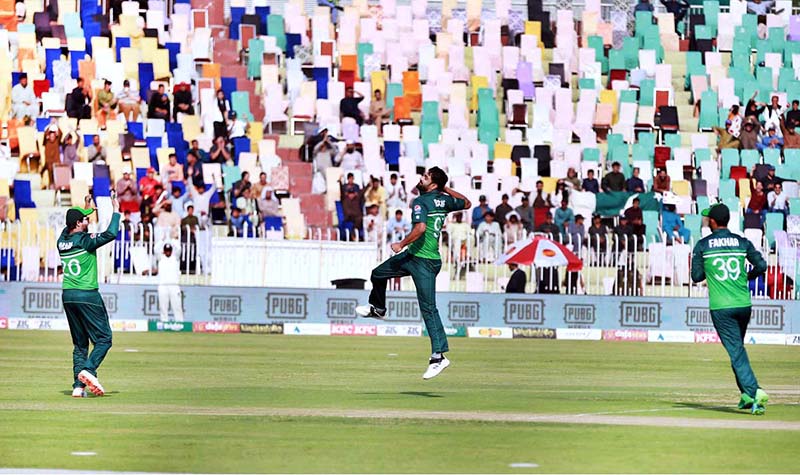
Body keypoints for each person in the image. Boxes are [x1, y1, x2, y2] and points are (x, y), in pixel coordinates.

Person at [356, 167, 471, 379]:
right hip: (414, 257)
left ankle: (439, 357)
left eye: (425, 177)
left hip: (425, 262)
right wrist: (444, 188)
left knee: (428, 309)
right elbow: (467, 203)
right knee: (378, 273)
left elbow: (420, 229)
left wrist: (401, 243)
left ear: (432, 184)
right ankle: (378, 308)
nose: (421, 178)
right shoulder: (442, 200)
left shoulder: (421, 202)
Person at [691, 203, 768, 415]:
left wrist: (707, 266)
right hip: (743, 304)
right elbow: (762, 266)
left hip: (721, 307)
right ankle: (745, 395)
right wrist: (746, 277)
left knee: (735, 351)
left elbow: (696, 277)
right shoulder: (742, 241)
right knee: (737, 350)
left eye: (708, 219)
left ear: (713, 221)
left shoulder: (703, 245)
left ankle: (755, 391)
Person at [58, 194, 120, 398]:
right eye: (84, 219)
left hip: (68, 295)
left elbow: (80, 229)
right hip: (87, 295)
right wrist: (116, 211)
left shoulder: (62, 239)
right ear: (77, 223)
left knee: (80, 344)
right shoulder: (85, 241)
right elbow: (110, 234)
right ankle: (89, 370)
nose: (87, 221)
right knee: (104, 339)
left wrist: (86, 209)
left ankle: (78, 386)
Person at [155, 243, 183, 322]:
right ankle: (164, 322)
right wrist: (162, 240)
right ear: (163, 251)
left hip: (174, 285)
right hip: (163, 285)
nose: (168, 252)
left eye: (169, 251)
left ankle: (180, 322)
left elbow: (179, 249)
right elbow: (155, 249)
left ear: (171, 250)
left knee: (177, 306)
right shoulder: (160, 258)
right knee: (163, 307)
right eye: (166, 251)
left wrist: (172, 240)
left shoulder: (175, 258)